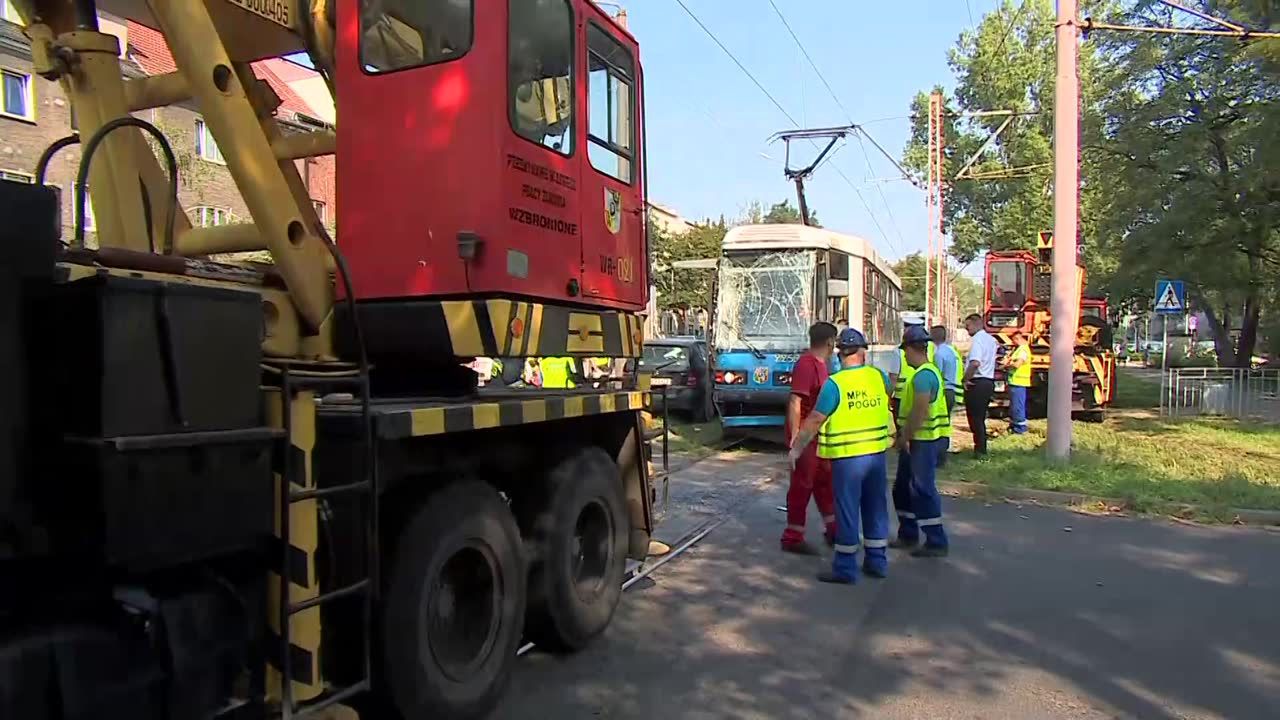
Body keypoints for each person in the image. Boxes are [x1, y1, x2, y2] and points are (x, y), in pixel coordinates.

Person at [788, 327, 894, 583]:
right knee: (876, 507)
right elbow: (886, 397)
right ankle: (877, 561)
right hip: (876, 455)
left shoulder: (835, 384)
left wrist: (796, 448)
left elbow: (814, 420)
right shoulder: (879, 377)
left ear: (840, 354)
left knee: (847, 511)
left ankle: (846, 568)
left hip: (848, 458)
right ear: (863, 352)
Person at [780, 322, 839, 555]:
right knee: (802, 485)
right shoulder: (807, 364)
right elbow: (796, 401)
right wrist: (796, 438)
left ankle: (834, 529)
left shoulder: (822, 365)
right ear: (829, 342)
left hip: (820, 437)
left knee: (825, 484)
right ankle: (793, 537)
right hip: (806, 436)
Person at [892, 325, 951, 557]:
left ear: (910, 349)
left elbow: (919, 412)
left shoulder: (923, 376)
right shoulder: (924, 373)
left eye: (905, 350)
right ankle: (908, 533)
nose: (904, 355)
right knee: (902, 488)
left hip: (923, 441)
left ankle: (936, 540)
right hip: (919, 440)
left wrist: (903, 437)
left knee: (922, 489)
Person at [962, 313, 997, 457]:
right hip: (988, 381)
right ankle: (981, 447)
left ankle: (980, 450)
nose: (966, 329)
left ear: (976, 324)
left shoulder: (977, 340)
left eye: (968, 326)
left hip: (977, 382)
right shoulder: (991, 340)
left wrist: (965, 378)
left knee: (974, 418)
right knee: (980, 417)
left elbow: (975, 362)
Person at [930, 325, 964, 466]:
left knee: (937, 425)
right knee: (945, 424)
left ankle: (939, 457)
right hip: (951, 390)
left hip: (943, 391)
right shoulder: (951, 351)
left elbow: (937, 375)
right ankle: (943, 455)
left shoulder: (939, 354)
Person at [1004, 331, 1032, 434]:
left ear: (1017, 338)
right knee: (1015, 406)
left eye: (1013, 340)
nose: (1013, 343)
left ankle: (1020, 428)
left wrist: (1007, 364)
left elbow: (1017, 364)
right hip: (1015, 382)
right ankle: (1015, 425)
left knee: (1018, 406)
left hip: (1019, 382)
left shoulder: (1023, 350)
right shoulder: (1019, 349)